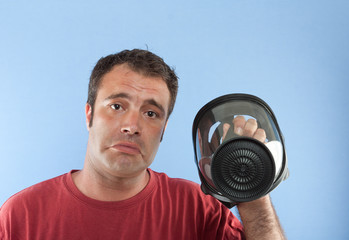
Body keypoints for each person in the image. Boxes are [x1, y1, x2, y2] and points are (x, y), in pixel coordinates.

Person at [0, 49, 286, 239]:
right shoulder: (20, 215)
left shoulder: (198, 209)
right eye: (116, 106)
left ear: (163, 129)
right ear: (89, 114)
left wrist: (252, 189)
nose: (132, 126)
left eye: (151, 113)